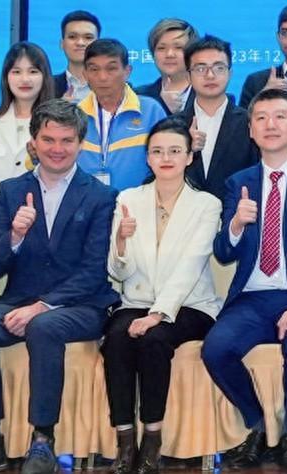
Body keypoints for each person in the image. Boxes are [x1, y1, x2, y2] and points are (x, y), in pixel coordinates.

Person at [0, 98, 120, 474]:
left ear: (81, 144)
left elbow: (93, 271)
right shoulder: (10, 191)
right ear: (33, 143)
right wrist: (14, 235)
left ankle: (43, 441)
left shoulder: (101, 195)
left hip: (83, 305)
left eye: (67, 140)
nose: (57, 149)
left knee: (44, 326)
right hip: (19, 297)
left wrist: (43, 306)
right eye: (49, 139)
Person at [200, 88, 287, 472]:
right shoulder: (239, 182)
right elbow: (224, 252)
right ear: (250, 130)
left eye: (280, 116)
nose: (270, 125)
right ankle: (261, 426)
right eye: (261, 118)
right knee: (216, 349)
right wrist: (235, 224)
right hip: (254, 296)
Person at [100, 118, 221, 474]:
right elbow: (118, 272)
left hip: (189, 305)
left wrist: (158, 315)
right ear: (147, 158)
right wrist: (121, 242)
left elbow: (191, 266)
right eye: (157, 151)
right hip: (136, 300)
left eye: (174, 151)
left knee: (154, 340)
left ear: (189, 157)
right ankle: (125, 442)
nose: (165, 158)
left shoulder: (207, 204)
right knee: (117, 339)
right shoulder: (128, 199)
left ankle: (152, 439)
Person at [75, 38, 168, 189]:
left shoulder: (151, 110)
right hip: (85, 201)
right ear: (85, 74)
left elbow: (167, 159)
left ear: (127, 71)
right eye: (94, 69)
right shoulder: (74, 115)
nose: (102, 77)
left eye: (111, 69)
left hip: (139, 201)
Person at [0, 42, 56, 192]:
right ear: (6, 77)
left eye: (33, 71)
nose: (25, 79)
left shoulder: (57, 125)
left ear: (45, 76)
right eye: (16, 72)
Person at [178, 34, 259, 193]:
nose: (210, 75)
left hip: (237, 206)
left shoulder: (250, 122)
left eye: (219, 68)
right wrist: (185, 149)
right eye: (201, 69)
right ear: (188, 76)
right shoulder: (173, 126)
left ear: (230, 73)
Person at [240, 3, 287, 110]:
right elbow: (242, 120)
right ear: (277, 36)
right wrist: (263, 95)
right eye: (285, 32)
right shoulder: (255, 82)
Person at [134, 18, 199, 116]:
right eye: (161, 48)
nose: (169, 54)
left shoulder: (210, 95)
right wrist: (161, 104)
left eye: (178, 47)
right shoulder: (138, 97)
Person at [52, 10, 100, 101]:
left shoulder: (120, 88)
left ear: (99, 44)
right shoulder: (45, 86)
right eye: (72, 37)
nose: (80, 43)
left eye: (88, 37)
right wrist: (58, 107)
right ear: (62, 44)